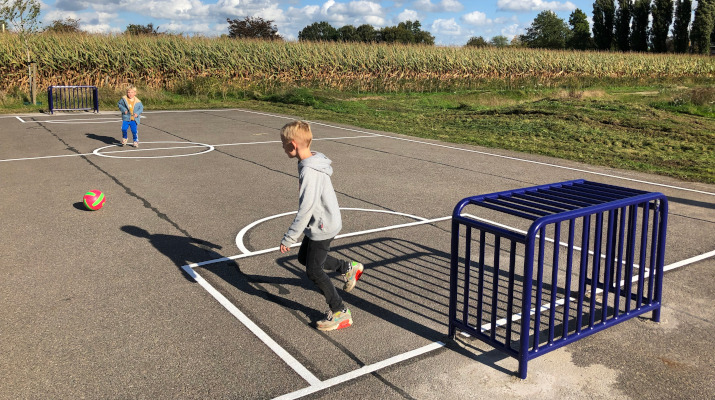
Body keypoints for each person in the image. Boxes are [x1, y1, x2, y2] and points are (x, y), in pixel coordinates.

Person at [279, 121, 364, 331]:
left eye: (283, 144)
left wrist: (290, 237)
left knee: (314, 271)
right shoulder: (314, 159)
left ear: (293, 145)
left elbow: (306, 208)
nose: (282, 148)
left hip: (322, 225)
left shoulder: (309, 170)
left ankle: (340, 312)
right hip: (322, 220)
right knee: (303, 258)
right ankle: (348, 268)